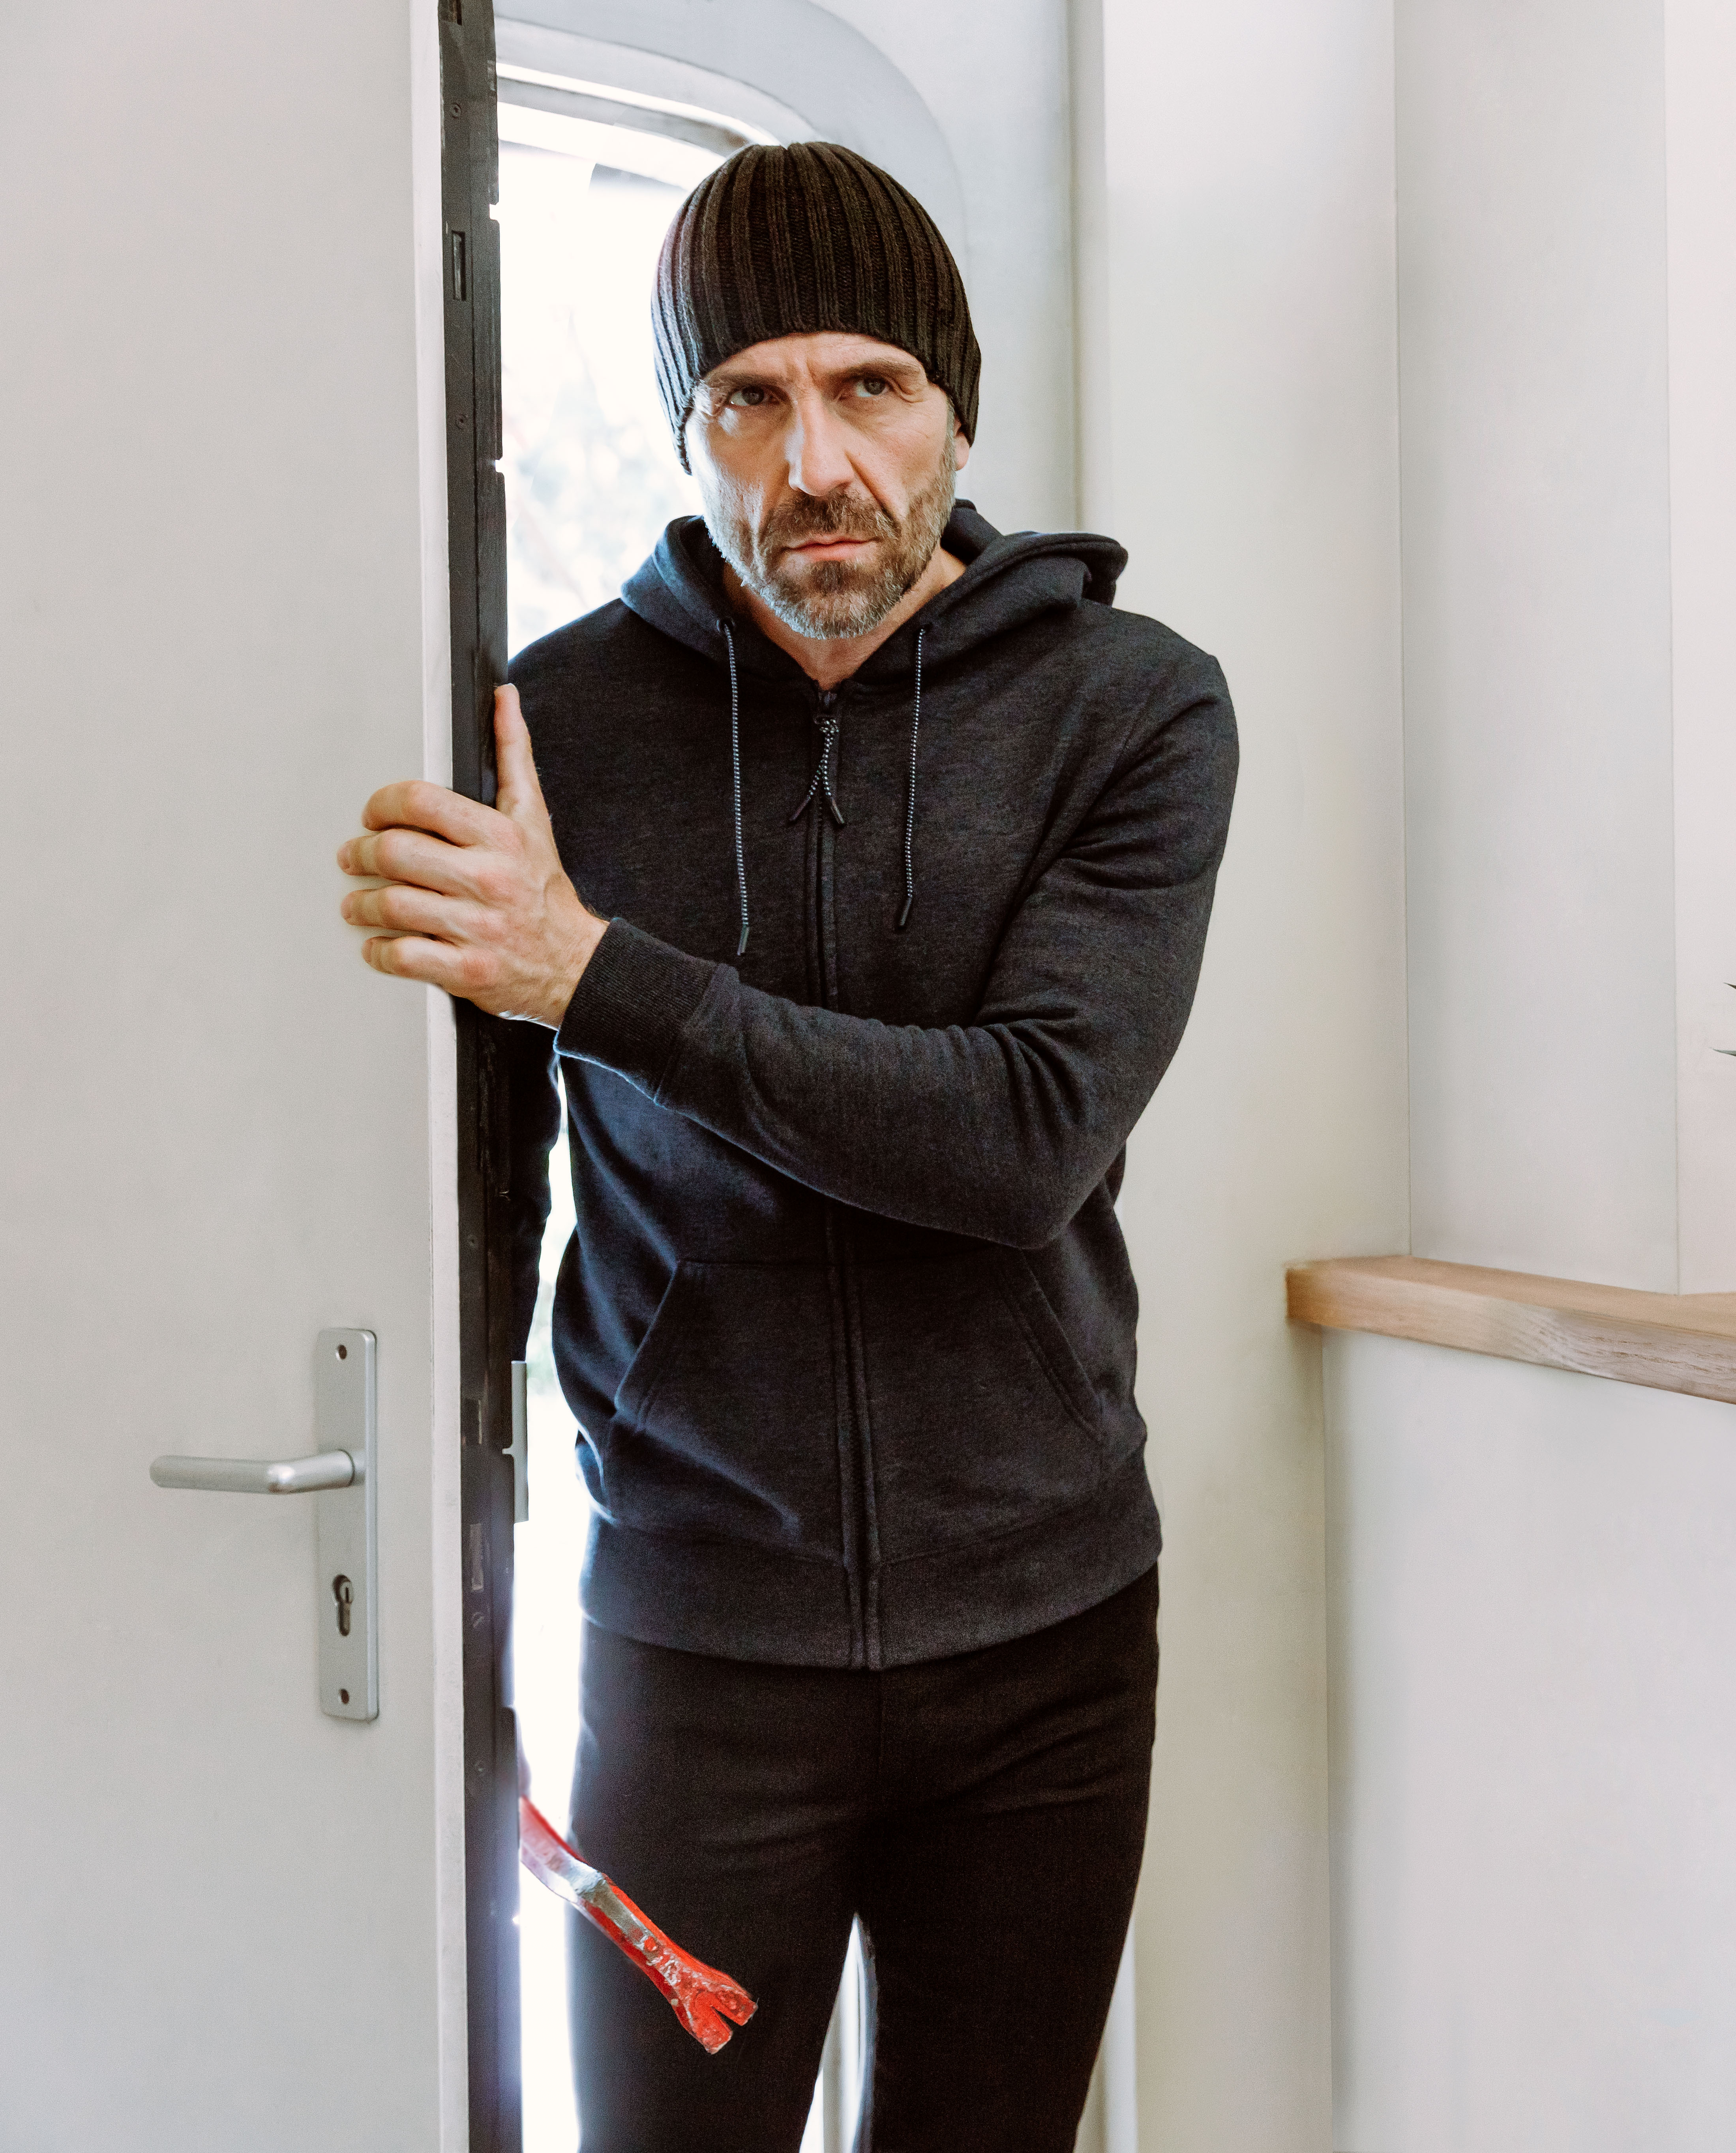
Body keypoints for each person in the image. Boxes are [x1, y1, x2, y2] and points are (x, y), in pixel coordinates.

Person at [334, 141, 1235, 2151]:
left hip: (1046, 1647)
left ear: (953, 406)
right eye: (748, 396)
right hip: (689, 1646)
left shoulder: (1134, 708)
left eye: (867, 386)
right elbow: (460, 1205)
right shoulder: (544, 728)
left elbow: (1025, 1138)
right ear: (690, 425)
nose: (810, 459)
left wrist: (591, 971)